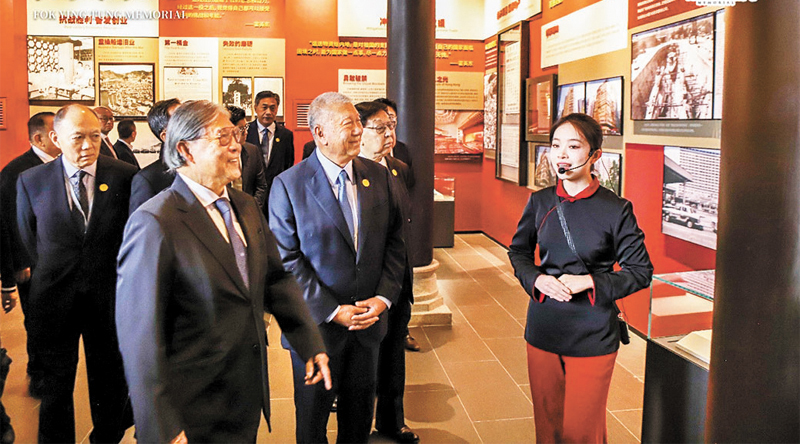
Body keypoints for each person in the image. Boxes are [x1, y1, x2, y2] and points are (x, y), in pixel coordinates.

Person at [116, 100, 331, 443]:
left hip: (244, 394)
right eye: (223, 137)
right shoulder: (155, 222)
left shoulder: (243, 206)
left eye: (237, 134)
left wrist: (308, 341)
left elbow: (275, 279)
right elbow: (139, 337)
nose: (236, 146)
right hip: (191, 408)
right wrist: (161, 425)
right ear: (185, 149)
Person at [269, 92, 405, 444]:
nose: (360, 130)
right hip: (316, 329)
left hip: (367, 324)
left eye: (359, 122)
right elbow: (286, 259)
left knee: (358, 422)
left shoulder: (378, 176)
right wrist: (332, 310)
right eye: (349, 123)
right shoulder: (289, 185)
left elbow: (394, 241)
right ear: (320, 133)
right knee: (312, 424)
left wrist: (383, 298)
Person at [508, 113, 653, 443]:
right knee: (547, 426)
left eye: (573, 146)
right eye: (556, 145)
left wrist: (589, 281)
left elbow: (640, 271)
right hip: (544, 326)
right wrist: (536, 280)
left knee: (581, 432)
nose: (562, 154)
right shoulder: (540, 201)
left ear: (595, 155)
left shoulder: (616, 209)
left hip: (592, 330)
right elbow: (518, 252)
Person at [16, 104, 136, 443]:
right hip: (54, 298)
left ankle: (107, 437)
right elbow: (28, 238)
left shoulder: (125, 176)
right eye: (78, 138)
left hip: (108, 297)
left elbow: (134, 236)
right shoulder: (32, 181)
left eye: (95, 136)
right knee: (55, 385)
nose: (88, 146)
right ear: (56, 138)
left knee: (109, 378)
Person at [354, 101, 419, 443]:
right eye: (379, 128)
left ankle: (392, 421)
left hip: (397, 280)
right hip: (364, 285)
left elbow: (404, 226)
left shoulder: (399, 169)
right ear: (359, 132)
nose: (389, 134)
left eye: (391, 126)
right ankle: (357, 425)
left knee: (394, 356)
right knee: (362, 362)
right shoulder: (349, 171)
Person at [0, 112, 61, 398]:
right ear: (39, 138)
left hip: (56, 259)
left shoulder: (61, 164)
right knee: (37, 320)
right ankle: (38, 375)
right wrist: (18, 264)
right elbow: (8, 222)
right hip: (31, 263)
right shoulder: (16, 171)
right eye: (55, 132)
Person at [246, 90, 295, 213]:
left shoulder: (286, 135)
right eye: (264, 107)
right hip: (251, 196)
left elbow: (288, 166)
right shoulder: (246, 132)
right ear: (255, 108)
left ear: (277, 109)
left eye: (272, 108)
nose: (268, 112)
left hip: (276, 196)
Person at [129, 98, 181, 213]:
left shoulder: (205, 167)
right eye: (180, 119)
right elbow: (141, 222)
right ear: (165, 136)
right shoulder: (148, 179)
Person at [227, 105, 269, 209]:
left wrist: (252, 208)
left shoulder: (252, 151)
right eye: (241, 129)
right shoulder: (218, 154)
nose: (246, 132)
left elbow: (261, 186)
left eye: (246, 127)